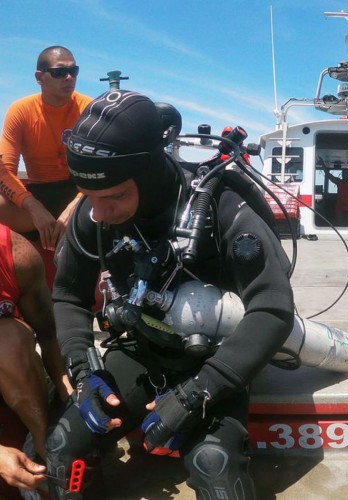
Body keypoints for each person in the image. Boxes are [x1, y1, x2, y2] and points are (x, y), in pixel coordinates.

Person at [44, 90, 294, 499]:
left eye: (114, 197)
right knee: (59, 448)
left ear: (148, 174)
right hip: (144, 348)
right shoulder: (95, 213)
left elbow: (274, 309)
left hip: (217, 358)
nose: (99, 212)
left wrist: (199, 392)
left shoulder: (220, 206)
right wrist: (83, 369)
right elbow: (68, 293)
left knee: (213, 465)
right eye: (88, 197)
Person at [0, 46, 92, 252]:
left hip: (80, 190)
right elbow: (4, 171)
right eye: (59, 72)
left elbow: (100, 168)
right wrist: (33, 207)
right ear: (39, 77)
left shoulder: (89, 109)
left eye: (73, 71)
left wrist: (75, 205)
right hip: (37, 194)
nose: (69, 77)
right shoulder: (21, 110)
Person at [0, 224, 71, 491]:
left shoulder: (15, 254)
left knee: (9, 339)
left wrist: (70, 394)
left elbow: (49, 334)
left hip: (10, 373)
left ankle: (48, 455)